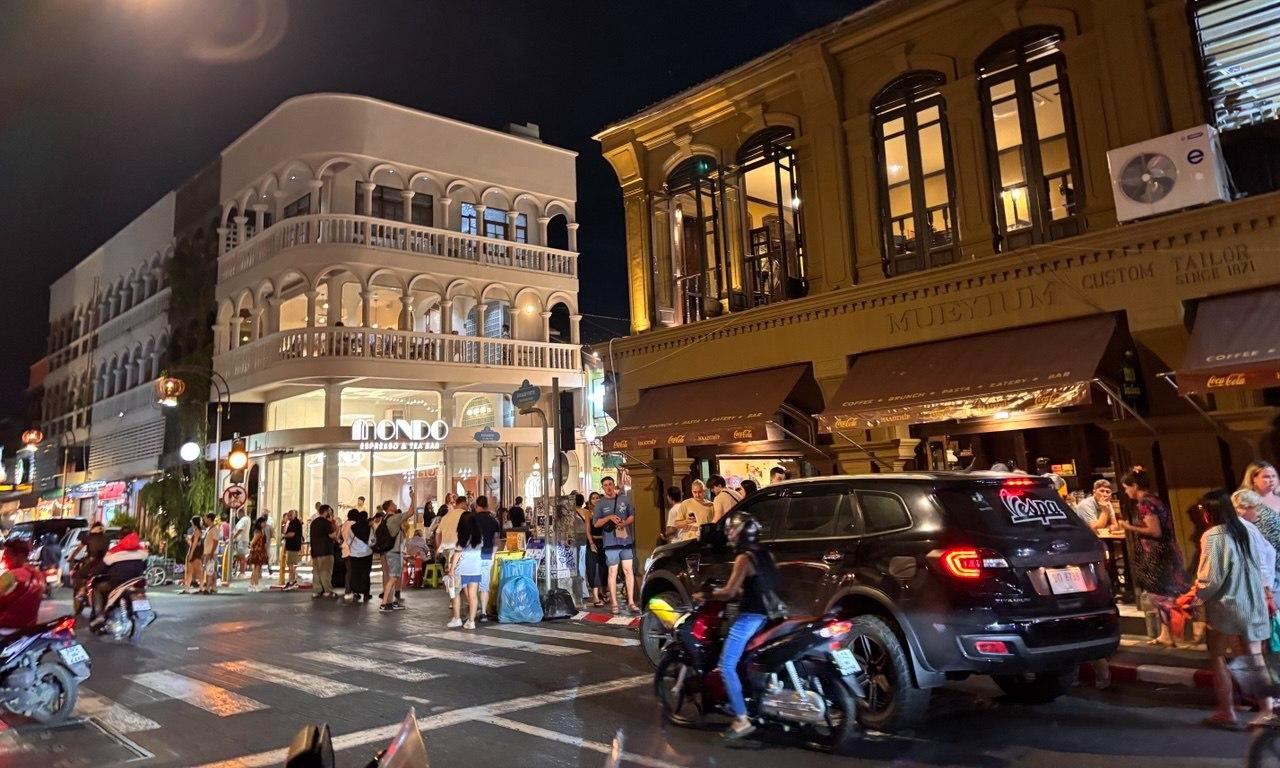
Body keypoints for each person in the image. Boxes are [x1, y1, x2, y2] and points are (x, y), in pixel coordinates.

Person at [1178, 491, 1274, 730]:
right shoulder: (1247, 530)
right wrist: (1267, 592)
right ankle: (1266, 710)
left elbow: (1210, 578)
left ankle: (1227, 710)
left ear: (1209, 512)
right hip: (1253, 601)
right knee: (1254, 657)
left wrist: (1194, 598)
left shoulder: (1214, 535)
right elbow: (1267, 559)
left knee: (1218, 656)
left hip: (1227, 607)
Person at [694, 511, 782, 740]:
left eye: (732, 530)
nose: (730, 534)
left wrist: (707, 594)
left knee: (726, 665)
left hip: (750, 617)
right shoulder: (766, 554)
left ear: (741, 532)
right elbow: (761, 584)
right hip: (772, 615)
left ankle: (742, 719)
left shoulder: (744, 558)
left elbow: (729, 592)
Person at [1118, 468, 1188, 646]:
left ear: (1135, 486)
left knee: (1160, 594)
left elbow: (1154, 531)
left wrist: (1128, 527)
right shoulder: (1155, 500)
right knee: (1163, 593)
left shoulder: (1145, 503)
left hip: (1157, 555)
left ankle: (1175, 634)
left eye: (1126, 488)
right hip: (1164, 551)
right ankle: (1166, 634)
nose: (1126, 492)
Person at [593, 476, 638, 614]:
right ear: (603, 487)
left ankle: (631, 602)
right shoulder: (600, 503)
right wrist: (609, 517)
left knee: (628, 571)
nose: (608, 487)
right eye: (605, 485)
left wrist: (625, 523)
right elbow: (596, 523)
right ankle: (614, 603)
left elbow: (632, 516)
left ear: (614, 485)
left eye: (610, 484)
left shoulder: (624, 499)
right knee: (612, 572)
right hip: (610, 542)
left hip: (625, 540)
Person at [90, 530, 149, 626]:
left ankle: (99, 615)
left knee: (98, 588)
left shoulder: (114, 551)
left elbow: (101, 568)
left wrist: (93, 573)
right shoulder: (143, 551)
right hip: (137, 582)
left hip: (118, 583)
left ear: (121, 539)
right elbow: (144, 566)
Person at [448, 510, 484, 629]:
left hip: (462, 570)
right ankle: (471, 621)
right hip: (476, 569)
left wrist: (451, 569)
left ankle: (457, 618)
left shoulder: (463, 537)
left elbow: (457, 555)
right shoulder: (479, 537)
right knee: (473, 595)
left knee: (455, 594)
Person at [0, 540, 42, 630]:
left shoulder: (10, 575)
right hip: (30, 625)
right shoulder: (38, 574)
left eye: (7, 555)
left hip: (6, 624)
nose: (4, 558)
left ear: (19, 556)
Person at [377, 500, 408, 613]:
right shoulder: (393, 518)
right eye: (393, 504)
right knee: (393, 577)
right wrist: (413, 497)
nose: (395, 505)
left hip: (386, 551)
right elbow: (410, 512)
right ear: (389, 507)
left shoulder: (384, 519)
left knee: (390, 577)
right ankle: (384, 603)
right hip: (394, 552)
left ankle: (390, 601)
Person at [474, 496, 501, 621]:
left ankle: (475, 608)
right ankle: (484, 613)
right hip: (487, 555)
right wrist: (493, 553)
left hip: (473, 555)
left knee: (472, 584)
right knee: (485, 585)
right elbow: (496, 539)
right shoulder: (493, 521)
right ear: (486, 506)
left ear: (477, 505)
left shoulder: (472, 519)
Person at [345, 510, 375, 604]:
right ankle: (366, 594)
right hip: (367, 554)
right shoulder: (369, 528)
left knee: (355, 573)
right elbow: (372, 541)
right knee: (365, 574)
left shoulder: (352, 528)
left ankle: (356, 593)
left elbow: (348, 541)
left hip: (354, 554)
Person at [310, 504, 338, 598]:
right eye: (329, 511)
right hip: (326, 551)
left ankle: (316, 591)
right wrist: (337, 528)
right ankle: (327, 591)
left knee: (316, 572)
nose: (330, 512)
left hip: (315, 551)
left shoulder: (313, 522)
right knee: (326, 572)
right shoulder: (326, 523)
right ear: (325, 512)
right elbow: (332, 535)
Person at [181, 516, 204, 594]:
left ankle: (201, 588)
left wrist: (191, 554)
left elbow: (194, 544)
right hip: (195, 552)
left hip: (195, 553)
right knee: (190, 571)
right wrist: (188, 540)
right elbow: (194, 543)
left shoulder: (197, 531)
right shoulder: (197, 531)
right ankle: (187, 588)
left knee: (198, 570)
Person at [282, 509, 303, 590]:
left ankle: (291, 582)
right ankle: (292, 581)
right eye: (288, 515)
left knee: (291, 565)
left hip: (293, 547)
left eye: (290, 515)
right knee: (291, 565)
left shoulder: (295, 522)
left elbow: (292, 534)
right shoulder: (292, 522)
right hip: (291, 546)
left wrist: (284, 536)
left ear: (294, 515)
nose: (289, 517)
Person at [201, 512, 221, 594]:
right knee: (212, 570)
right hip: (207, 552)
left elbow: (215, 542)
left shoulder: (214, 529)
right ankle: (214, 587)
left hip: (210, 553)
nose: (205, 520)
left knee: (209, 570)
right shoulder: (209, 529)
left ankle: (208, 588)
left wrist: (212, 553)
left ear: (209, 519)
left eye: (206, 518)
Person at [247, 515, 269, 592]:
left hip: (259, 550)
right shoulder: (258, 532)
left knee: (256, 568)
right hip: (257, 551)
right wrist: (252, 547)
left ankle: (252, 584)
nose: (265, 524)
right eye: (264, 523)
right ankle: (255, 584)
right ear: (260, 523)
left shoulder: (260, 531)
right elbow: (253, 542)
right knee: (257, 568)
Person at [232, 511, 251, 577]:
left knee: (241, 556)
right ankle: (240, 571)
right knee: (239, 556)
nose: (237, 515)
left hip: (241, 540)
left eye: (237, 514)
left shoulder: (243, 520)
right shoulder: (247, 519)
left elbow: (240, 529)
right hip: (243, 540)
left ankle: (242, 572)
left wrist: (233, 537)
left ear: (241, 513)